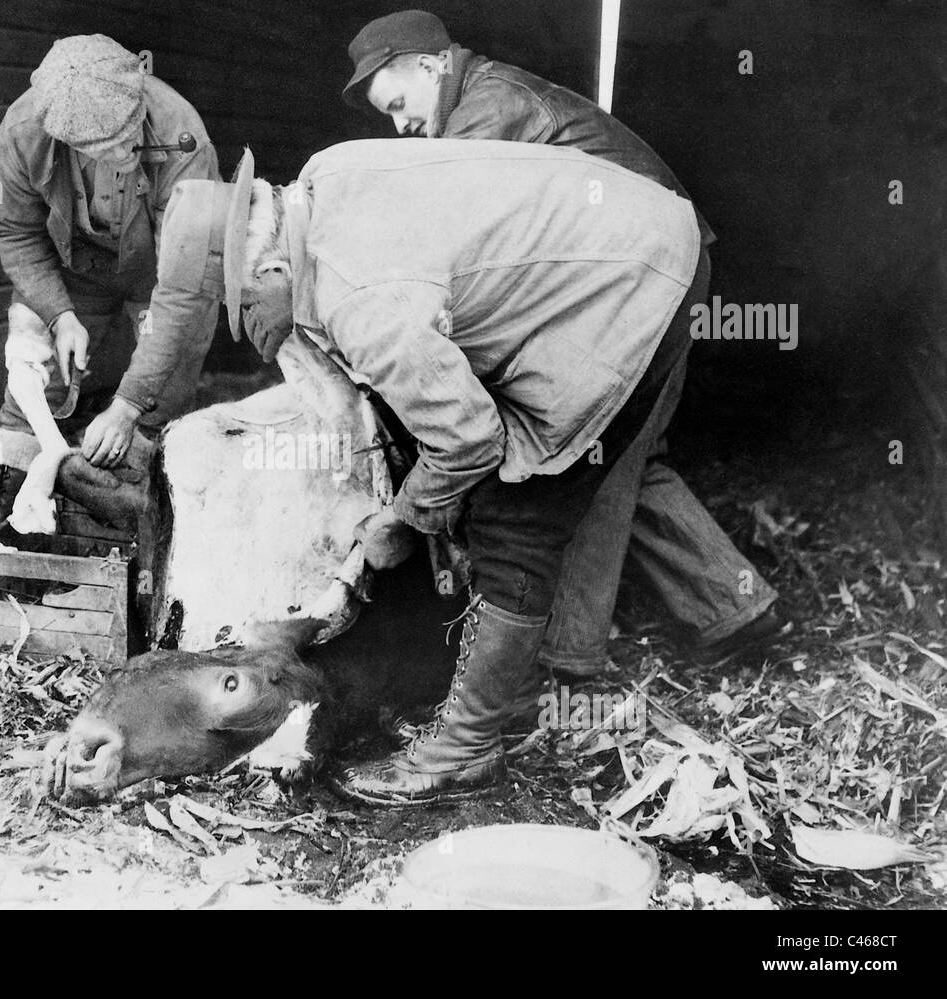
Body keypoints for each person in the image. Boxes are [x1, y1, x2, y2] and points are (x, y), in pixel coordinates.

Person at [123, 137, 721, 805]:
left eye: (247, 311)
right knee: (494, 493)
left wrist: (401, 520)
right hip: (623, 240)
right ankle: (507, 695)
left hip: (630, 279)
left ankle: (468, 747)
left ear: (267, 269)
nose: (256, 331)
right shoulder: (320, 180)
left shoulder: (362, 301)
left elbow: (467, 441)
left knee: (517, 511)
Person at [337, 10, 785, 670]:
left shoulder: (488, 116)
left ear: (432, 63)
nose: (399, 125)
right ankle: (737, 608)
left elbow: (450, 250)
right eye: (388, 116)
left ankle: (562, 660)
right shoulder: (481, 101)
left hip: (648, 275)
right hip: (656, 268)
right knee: (629, 450)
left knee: (583, 454)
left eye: (399, 104)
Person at [0, 34, 221, 529]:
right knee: (35, 373)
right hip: (77, 268)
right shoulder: (24, 130)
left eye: (129, 134)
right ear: (67, 139)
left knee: (165, 392)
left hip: (164, 274)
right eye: (106, 148)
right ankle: (9, 517)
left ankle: (146, 524)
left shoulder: (183, 135)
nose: (127, 151)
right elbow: (14, 229)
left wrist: (130, 404)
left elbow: (187, 284)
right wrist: (59, 314)